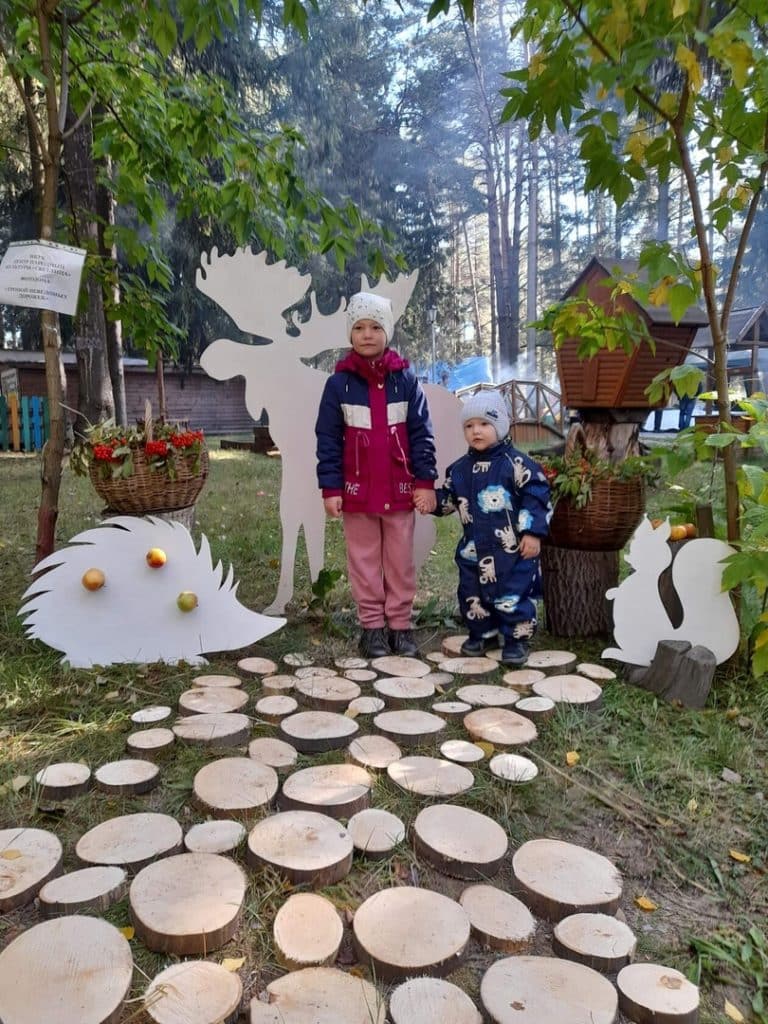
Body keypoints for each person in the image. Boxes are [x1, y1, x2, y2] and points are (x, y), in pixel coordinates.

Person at [315, 291, 437, 659]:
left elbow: (422, 433)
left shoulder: (406, 381)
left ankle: (399, 625)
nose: (367, 334)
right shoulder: (338, 386)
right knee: (364, 559)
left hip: (400, 491)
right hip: (358, 493)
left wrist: (425, 482)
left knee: (400, 560)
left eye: (375, 327)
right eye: (359, 327)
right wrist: (331, 487)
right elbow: (327, 439)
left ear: (388, 332)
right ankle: (371, 628)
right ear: (350, 334)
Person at [420, 391, 551, 667]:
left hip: (512, 550)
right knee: (471, 592)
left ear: (500, 426)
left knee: (512, 593)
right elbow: (448, 502)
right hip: (473, 549)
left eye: (484, 424)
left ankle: (516, 639)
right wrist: (430, 501)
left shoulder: (517, 465)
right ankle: (483, 632)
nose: (476, 431)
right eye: (469, 426)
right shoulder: (458, 470)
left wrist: (532, 533)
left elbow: (536, 497)